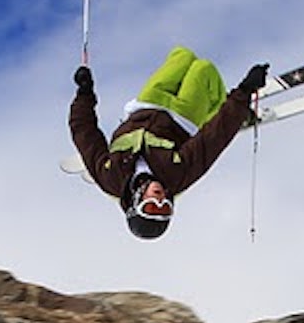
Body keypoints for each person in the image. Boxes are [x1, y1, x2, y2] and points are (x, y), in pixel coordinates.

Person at [69, 47, 270, 239]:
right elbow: (213, 139)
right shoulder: (176, 175)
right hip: (182, 116)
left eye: (151, 207)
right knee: (204, 69)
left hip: (147, 104)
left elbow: (84, 131)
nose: (160, 200)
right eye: (165, 208)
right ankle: (220, 107)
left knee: (182, 55)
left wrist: (84, 93)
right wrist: (245, 91)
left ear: (135, 203)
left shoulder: (111, 177)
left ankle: (220, 104)